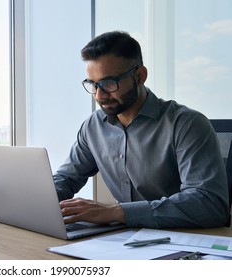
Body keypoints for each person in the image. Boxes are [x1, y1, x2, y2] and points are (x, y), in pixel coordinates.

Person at [54, 30, 229, 228]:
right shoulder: (93, 126)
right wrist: (35, 199)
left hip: (186, 242)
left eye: (109, 83)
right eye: (93, 84)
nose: (99, 95)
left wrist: (116, 212)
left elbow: (209, 204)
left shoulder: (187, 124)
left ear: (140, 76)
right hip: (126, 240)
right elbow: (67, 178)